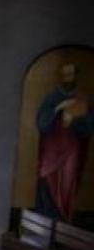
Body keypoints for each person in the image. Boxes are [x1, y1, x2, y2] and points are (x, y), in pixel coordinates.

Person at [35, 62, 93, 222]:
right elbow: (41, 123)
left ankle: (63, 221)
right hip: (52, 149)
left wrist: (74, 119)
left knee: (67, 184)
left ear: (76, 76)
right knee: (47, 179)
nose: (68, 79)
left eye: (71, 75)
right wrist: (57, 110)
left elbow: (88, 127)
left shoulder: (83, 99)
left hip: (71, 150)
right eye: (65, 75)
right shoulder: (51, 98)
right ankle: (44, 220)